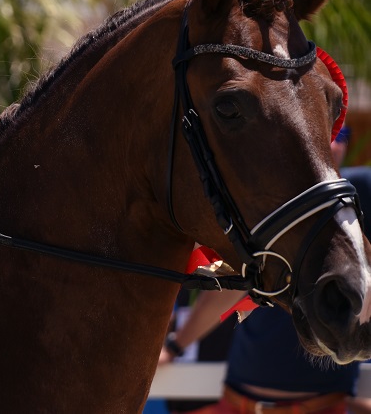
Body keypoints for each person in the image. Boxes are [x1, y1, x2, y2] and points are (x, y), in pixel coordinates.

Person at [157, 128, 371, 414]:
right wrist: (174, 347)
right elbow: (238, 284)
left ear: (346, 145)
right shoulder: (275, 200)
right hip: (235, 402)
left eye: (336, 132)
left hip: (321, 405)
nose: (327, 141)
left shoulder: (361, 192)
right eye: (316, 131)